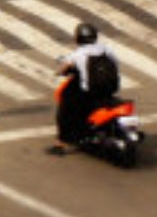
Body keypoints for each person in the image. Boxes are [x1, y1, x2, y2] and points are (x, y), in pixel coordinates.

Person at [50, 21, 120, 155]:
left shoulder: (78, 54)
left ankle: (62, 142)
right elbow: (116, 64)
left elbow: (66, 67)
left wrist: (59, 72)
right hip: (110, 88)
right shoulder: (106, 49)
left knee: (65, 106)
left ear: (78, 38)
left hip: (90, 93)